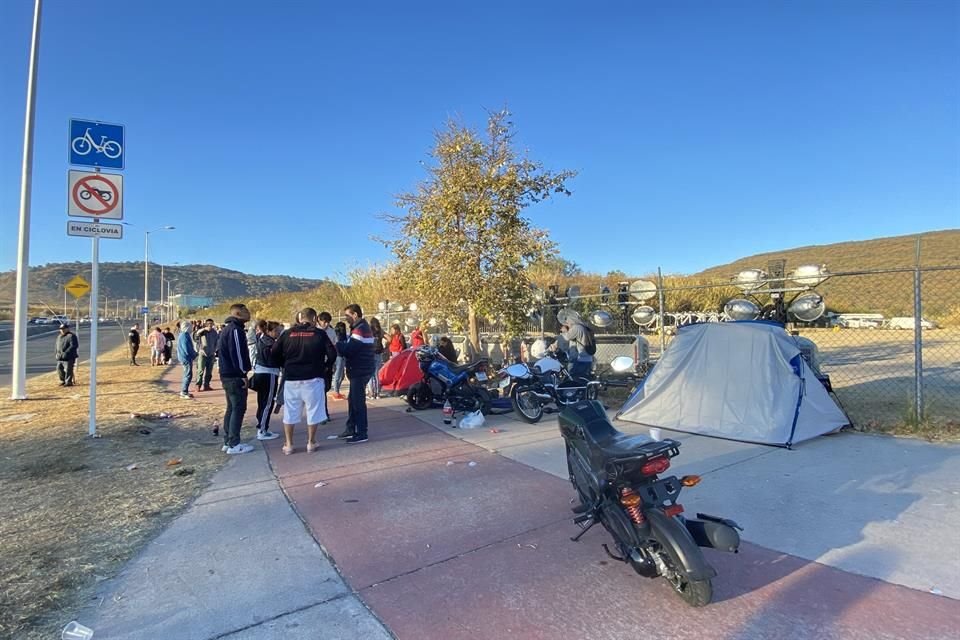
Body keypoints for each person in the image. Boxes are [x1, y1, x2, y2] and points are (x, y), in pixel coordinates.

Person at [273, 308, 338, 454]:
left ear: (300, 318)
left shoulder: (288, 333)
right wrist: (325, 367)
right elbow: (332, 353)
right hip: (313, 378)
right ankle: (311, 442)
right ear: (314, 319)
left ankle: (289, 444)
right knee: (313, 411)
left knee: (290, 412)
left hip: (292, 378)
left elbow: (275, 352)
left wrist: (285, 365)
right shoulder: (320, 334)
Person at [217, 303, 254, 455]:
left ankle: (228, 441)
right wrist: (243, 373)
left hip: (227, 374)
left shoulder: (228, 329)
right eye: (246, 311)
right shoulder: (235, 330)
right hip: (234, 376)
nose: (249, 314)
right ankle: (234, 443)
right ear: (238, 313)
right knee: (238, 408)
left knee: (232, 408)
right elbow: (237, 355)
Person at [337, 304, 375, 443]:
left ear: (355, 315)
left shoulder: (360, 330)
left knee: (358, 402)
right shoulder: (360, 328)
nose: (346, 319)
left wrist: (339, 341)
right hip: (361, 368)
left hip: (360, 370)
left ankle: (361, 432)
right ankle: (351, 428)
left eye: (347, 315)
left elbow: (348, 350)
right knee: (353, 400)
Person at [251, 320, 282, 441]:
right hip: (268, 373)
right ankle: (262, 429)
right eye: (277, 331)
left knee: (262, 402)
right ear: (269, 331)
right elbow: (275, 358)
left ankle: (263, 427)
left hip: (261, 372)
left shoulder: (262, 339)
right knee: (267, 403)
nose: (279, 333)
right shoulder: (270, 344)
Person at [317, 312, 339, 417]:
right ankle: (323, 413)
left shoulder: (331, 332)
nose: (325, 324)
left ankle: (323, 412)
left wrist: (333, 363)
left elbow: (335, 347)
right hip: (318, 363)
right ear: (319, 321)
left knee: (327, 387)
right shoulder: (316, 332)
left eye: (327, 322)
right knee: (321, 389)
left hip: (329, 362)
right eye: (323, 322)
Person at [194, 318, 218, 391]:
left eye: (211, 324)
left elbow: (217, 342)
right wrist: (204, 329)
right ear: (206, 324)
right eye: (209, 324)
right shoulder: (202, 332)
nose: (210, 325)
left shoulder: (214, 332)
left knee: (209, 371)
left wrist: (215, 350)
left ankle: (206, 385)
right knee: (200, 370)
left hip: (211, 354)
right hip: (202, 353)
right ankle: (198, 385)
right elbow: (196, 334)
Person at [176, 320, 197, 399]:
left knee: (187, 374)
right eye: (191, 327)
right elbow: (187, 348)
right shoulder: (184, 335)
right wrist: (194, 354)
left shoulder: (184, 335)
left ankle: (185, 391)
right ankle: (184, 392)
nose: (192, 328)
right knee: (188, 374)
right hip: (186, 357)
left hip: (184, 357)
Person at [367, 316, 385, 399]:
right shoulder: (380, 331)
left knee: (370, 374)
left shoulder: (369, 331)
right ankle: (378, 393)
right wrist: (386, 347)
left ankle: (371, 393)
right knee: (376, 374)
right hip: (379, 353)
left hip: (370, 353)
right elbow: (389, 338)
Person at [331, 321, 348, 400]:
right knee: (338, 374)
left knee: (342, 375)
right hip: (338, 356)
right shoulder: (337, 335)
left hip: (343, 355)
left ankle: (337, 391)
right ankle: (336, 391)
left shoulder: (345, 336)